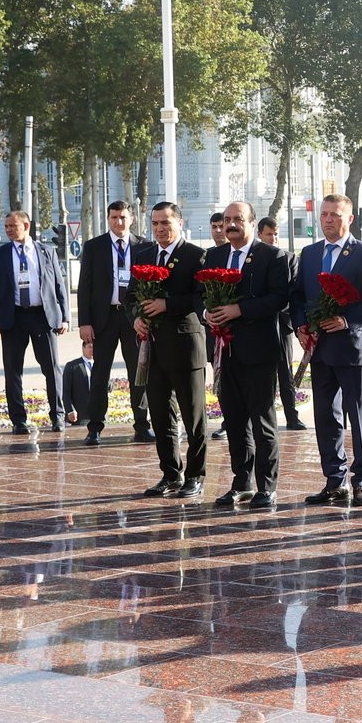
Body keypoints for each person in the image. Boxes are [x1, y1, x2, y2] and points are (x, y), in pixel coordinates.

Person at [291, 194, 362, 508]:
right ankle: (334, 480)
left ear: (350, 218)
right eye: (324, 214)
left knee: (359, 418)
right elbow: (298, 296)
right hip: (320, 349)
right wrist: (301, 325)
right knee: (326, 417)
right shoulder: (310, 253)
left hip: (354, 350)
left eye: (335, 214)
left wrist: (347, 320)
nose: (328, 219)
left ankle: (361, 481)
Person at [205, 201, 291, 509]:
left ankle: (266, 486)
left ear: (252, 223)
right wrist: (207, 313)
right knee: (234, 420)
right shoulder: (214, 256)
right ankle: (241, 482)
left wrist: (239, 309)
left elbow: (279, 299)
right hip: (224, 352)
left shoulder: (272, 256)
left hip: (258, 351)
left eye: (238, 219)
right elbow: (202, 295)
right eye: (227, 219)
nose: (231, 225)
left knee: (262, 421)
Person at [135, 201, 210, 499]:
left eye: (165, 222)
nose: (160, 228)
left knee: (193, 417)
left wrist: (167, 305)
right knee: (160, 414)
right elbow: (130, 296)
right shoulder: (144, 255)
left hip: (185, 346)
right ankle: (170, 474)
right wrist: (136, 317)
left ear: (180, 222)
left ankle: (195, 475)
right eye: (155, 223)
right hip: (152, 348)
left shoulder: (195, 255)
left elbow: (200, 297)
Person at [0, 209, 70, 434]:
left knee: (52, 368)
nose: (9, 230)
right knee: (13, 371)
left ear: (27, 226)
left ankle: (58, 416)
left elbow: (59, 285)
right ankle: (19, 420)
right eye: (6, 227)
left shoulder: (46, 252)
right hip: (13, 318)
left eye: (13, 226)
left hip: (43, 316)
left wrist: (65, 317)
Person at [77, 200, 152, 446]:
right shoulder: (94, 246)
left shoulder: (145, 246)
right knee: (100, 374)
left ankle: (142, 425)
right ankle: (95, 427)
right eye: (114, 217)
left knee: (138, 372)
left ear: (131, 219)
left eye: (123, 217)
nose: (119, 222)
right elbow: (85, 287)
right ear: (108, 219)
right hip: (104, 318)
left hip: (134, 318)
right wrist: (84, 322)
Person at [257, 216, 309, 431]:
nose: (273, 238)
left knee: (285, 371)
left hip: (283, 324)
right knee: (262, 374)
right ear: (260, 234)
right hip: (259, 323)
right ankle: (263, 417)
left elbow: (294, 290)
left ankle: (291, 416)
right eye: (269, 234)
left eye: (276, 234)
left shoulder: (289, 258)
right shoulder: (255, 258)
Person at [207, 210, 230, 440]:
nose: (218, 231)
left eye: (221, 226)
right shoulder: (209, 256)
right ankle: (227, 420)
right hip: (215, 332)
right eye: (214, 227)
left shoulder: (238, 253)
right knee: (220, 379)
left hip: (238, 330)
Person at [62, 337, 95, 428]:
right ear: (83, 348)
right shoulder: (72, 366)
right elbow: (66, 391)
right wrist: (70, 410)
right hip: (80, 417)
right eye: (90, 347)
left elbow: (108, 387)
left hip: (99, 415)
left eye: (95, 347)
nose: (92, 350)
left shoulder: (100, 364)